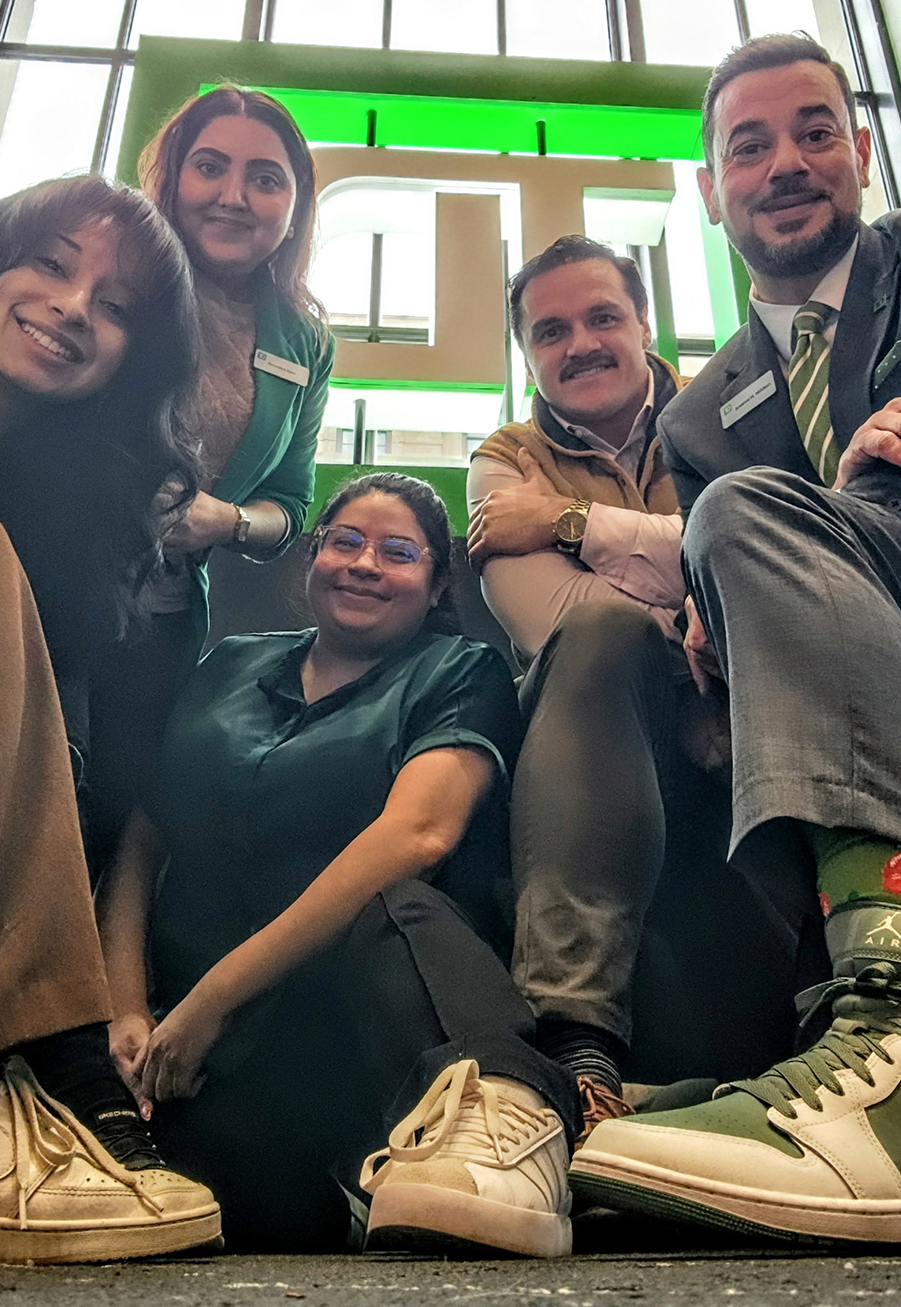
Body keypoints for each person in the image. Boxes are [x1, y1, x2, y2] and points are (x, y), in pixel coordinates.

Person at [570, 33, 901, 1244]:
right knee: (635, 657)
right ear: (708, 188)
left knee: (744, 517)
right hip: (857, 740)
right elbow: (748, 591)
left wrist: (834, 509)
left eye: (814, 131)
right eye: (749, 144)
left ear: (865, 150)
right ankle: (807, 1040)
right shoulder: (697, 410)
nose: (785, 163)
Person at [0, 177, 220, 1260]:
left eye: (114, 308)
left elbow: (40, 740)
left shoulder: (53, 506)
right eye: (54, 264)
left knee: (51, 736)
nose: (75, 306)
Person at [96, 473, 581, 1257]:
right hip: (203, 1057)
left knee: (399, 905)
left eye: (398, 553)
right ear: (311, 558)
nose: (364, 564)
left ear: (433, 587)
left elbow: (418, 834)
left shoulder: (462, 670)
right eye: (345, 542)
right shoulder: (225, 665)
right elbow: (144, 842)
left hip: (357, 1026)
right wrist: (127, 1009)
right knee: (256, 1228)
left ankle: (510, 1120)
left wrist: (213, 996)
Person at [465, 237, 795, 1133]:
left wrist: (573, 520)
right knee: (604, 631)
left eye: (603, 316)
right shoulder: (504, 461)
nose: (580, 344)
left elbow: (782, 565)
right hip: (599, 724)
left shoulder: (727, 410)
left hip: (755, 714)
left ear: (644, 324)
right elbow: (557, 617)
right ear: (527, 353)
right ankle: (576, 1047)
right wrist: (694, 581)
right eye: (550, 331)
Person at [84, 86, 337, 865]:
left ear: (293, 207)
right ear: (171, 178)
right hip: (45, 579)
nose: (234, 195)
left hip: (162, 621)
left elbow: (291, 505)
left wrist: (223, 519)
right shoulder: (110, 267)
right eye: (210, 167)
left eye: (265, 178)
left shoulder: (305, 339)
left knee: (108, 822)